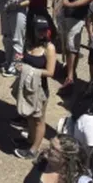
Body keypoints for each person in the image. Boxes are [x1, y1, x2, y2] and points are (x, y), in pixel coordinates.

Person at [14, 14, 57, 159]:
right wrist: (20, 62)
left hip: (40, 90)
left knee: (38, 119)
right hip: (27, 86)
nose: (43, 33)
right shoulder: (29, 43)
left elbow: (50, 72)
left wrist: (28, 70)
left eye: (45, 30)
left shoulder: (49, 48)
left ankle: (34, 150)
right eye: (39, 30)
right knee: (30, 117)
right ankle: (30, 140)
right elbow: (25, 59)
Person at [21, 136, 93, 183]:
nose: (47, 148)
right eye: (50, 144)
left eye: (53, 148)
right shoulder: (43, 160)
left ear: (66, 158)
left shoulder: (79, 180)